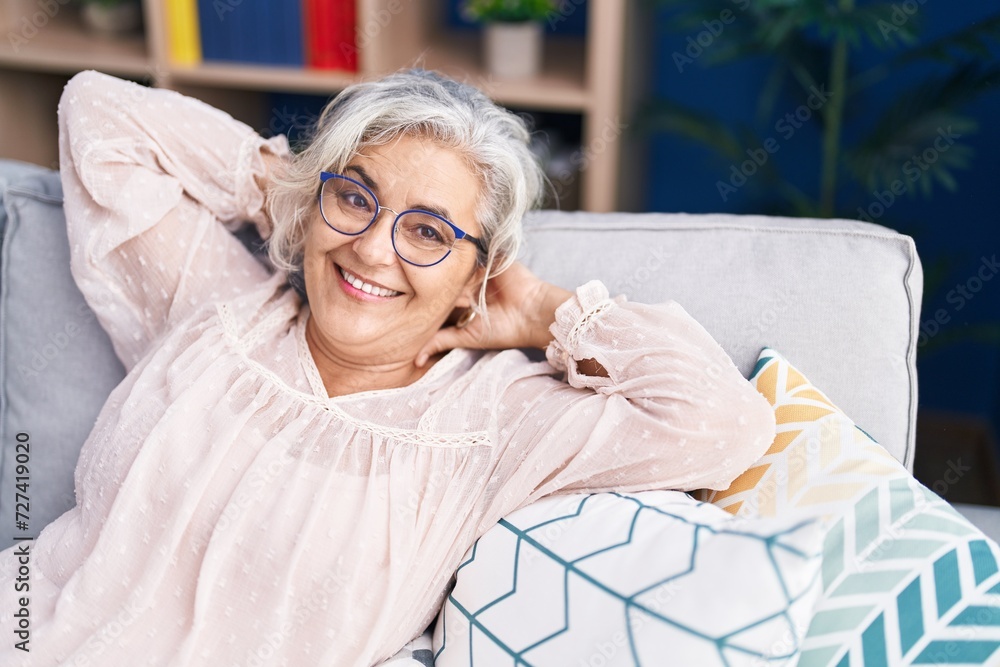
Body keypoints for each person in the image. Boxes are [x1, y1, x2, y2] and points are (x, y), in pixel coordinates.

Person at [0, 68, 775, 666]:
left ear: (477, 273)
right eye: (357, 198)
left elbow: (724, 421)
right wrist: (300, 195)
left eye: (429, 233)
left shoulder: (493, 421)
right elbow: (96, 110)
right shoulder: (217, 308)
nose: (374, 249)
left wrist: (543, 310)